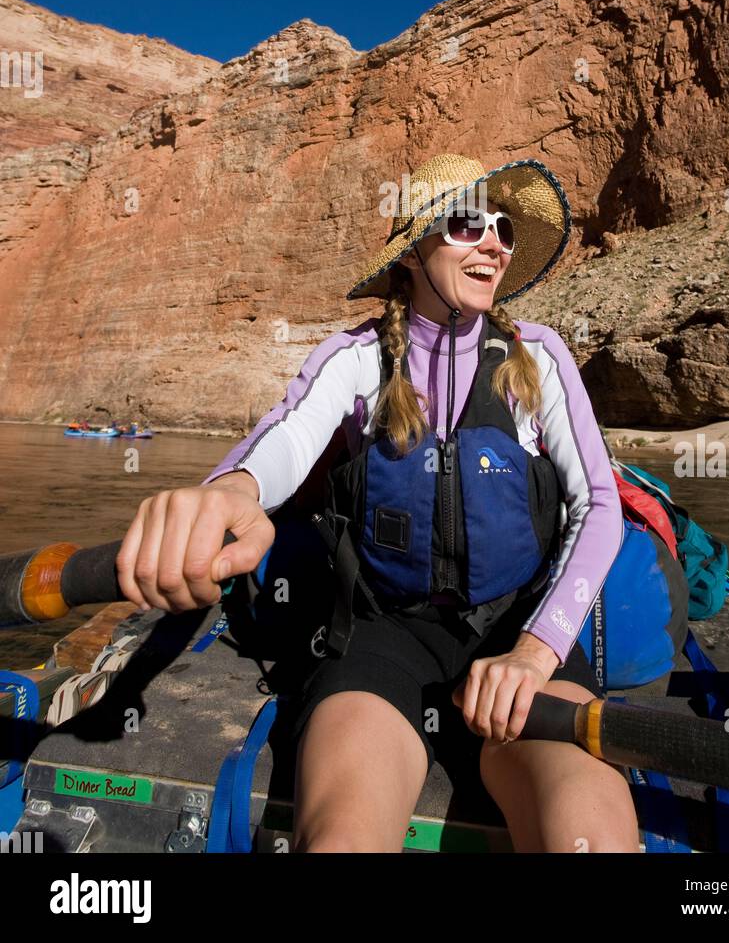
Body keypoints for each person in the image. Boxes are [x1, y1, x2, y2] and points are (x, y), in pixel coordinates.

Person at [117, 153, 639, 853]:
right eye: (466, 225)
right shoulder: (355, 359)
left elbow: (598, 504)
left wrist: (535, 654)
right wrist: (228, 493)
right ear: (414, 254)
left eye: (504, 229)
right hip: (381, 639)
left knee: (594, 843)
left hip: (518, 635)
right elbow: (286, 437)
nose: (493, 244)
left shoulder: (538, 358)